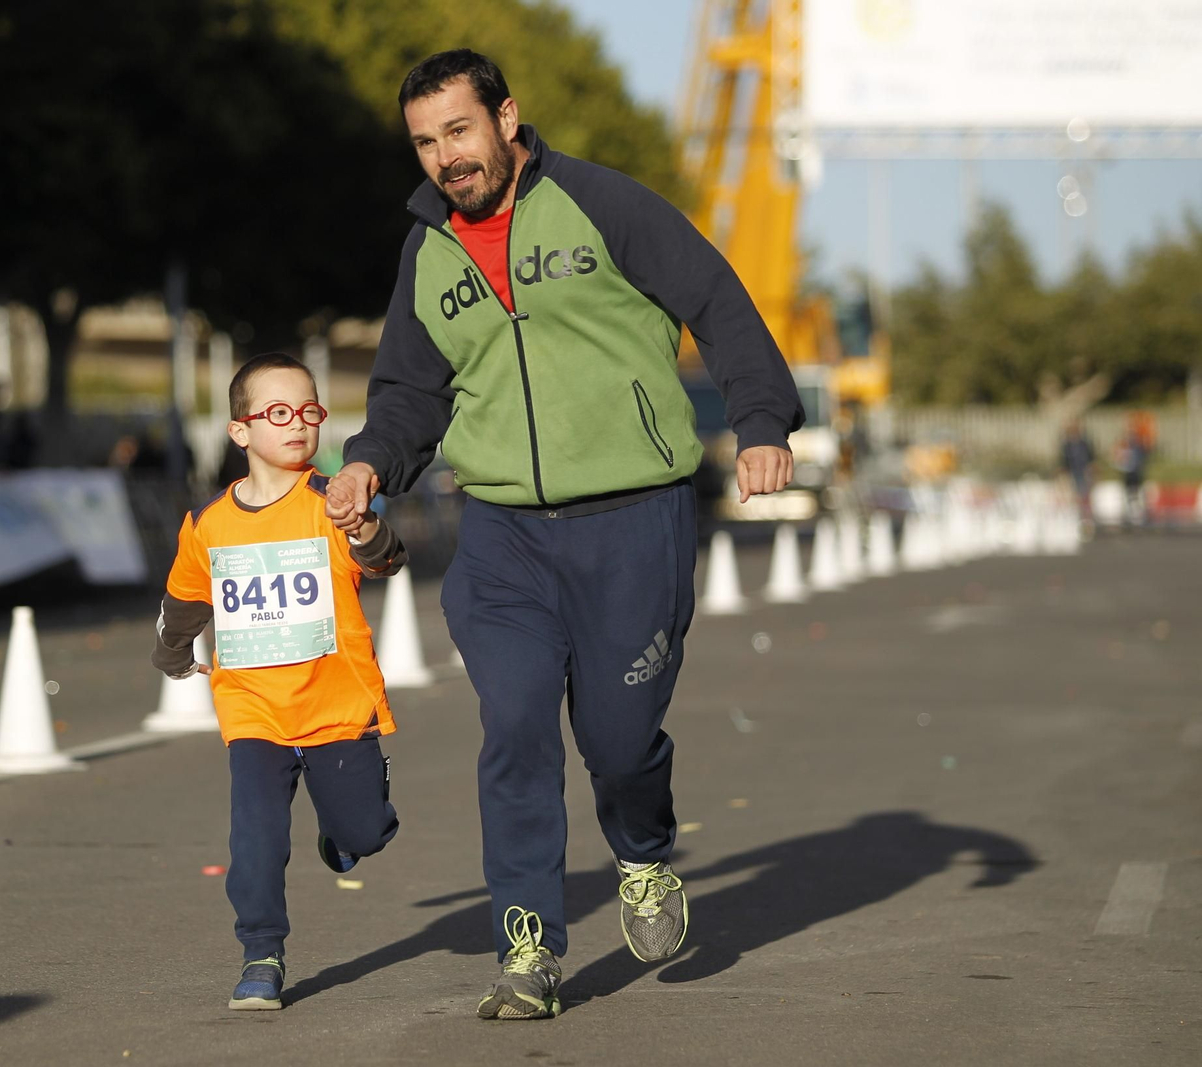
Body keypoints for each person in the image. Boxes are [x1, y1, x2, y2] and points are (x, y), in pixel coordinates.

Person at [325, 50, 804, 1020]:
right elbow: (411, 388)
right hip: (501, 531)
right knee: (513, 729)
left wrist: (759, 422)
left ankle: (640, 850)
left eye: (458, 131)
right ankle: (527, 944)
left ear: (507, 117)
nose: (444, 158)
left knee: (619, 741)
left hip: (634, 516)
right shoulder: (428, 248)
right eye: (423, 142)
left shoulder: (603, 204)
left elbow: (714, 298)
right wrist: (372, 460)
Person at [151, 352, 408, 1012]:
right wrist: (173, 650)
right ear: (240, 430)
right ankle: (261, 951)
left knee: (367, 833)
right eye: (279, 413)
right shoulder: (208, 524)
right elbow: (186, 596)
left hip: (335, 706)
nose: (299, 424)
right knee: (255, 839)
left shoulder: (333, 502)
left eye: (310, 411)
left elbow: (387, 557)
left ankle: (344, 832)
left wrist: (371, 526)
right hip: (253, 709)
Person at [1060, 420, 1095, 521]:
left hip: (1084, 471)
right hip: (1073, 472)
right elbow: (1064, 460)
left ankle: (1086, 516)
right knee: (1075, 493)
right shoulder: (1067, 445)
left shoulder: (1084, 443)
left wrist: (1091, 468)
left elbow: (1091, 457)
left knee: (1085, 493)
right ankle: (1076, 514)